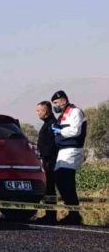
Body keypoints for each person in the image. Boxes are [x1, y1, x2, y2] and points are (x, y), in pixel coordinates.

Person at [50, 90, 87, 225]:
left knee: (66, 180)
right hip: (63, 151)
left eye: (55, 103)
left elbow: (75, 131)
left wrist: (60, 131)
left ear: (63, 100)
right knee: (60, 180)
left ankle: (75, 215)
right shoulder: (63, 115)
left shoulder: (75, 112)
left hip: (73, 150)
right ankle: (71, 212)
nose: (55, 106)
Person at [35, 100, 58, 223]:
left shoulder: (53, 124)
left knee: (50, 188)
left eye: (39, 110)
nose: (37, 113)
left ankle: (51, 215)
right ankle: (50, 214)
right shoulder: (47, 124)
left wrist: (46, 158)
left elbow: (54, 143)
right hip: (46, 160)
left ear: (46, 111)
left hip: (50, 161)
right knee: (48, 188)